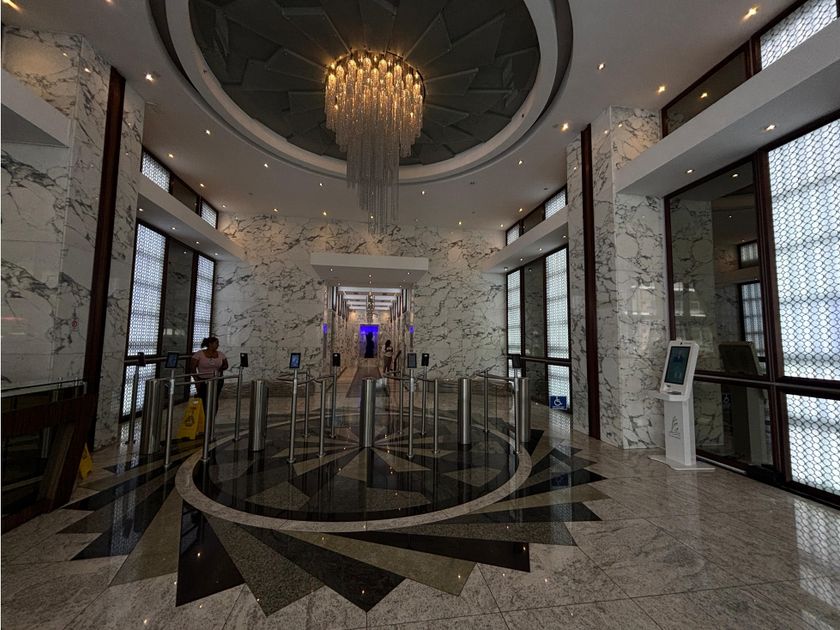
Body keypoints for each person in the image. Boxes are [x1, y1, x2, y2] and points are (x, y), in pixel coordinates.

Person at [190, 336, 228, 417]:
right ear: (210, 344)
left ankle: (212, 417)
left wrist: (220, 369)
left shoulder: (220, 354)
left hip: (217, 380)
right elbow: (192, 368)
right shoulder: (199, 354)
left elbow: (226, 365)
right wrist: (197, 381)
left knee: (214, 399)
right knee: (203, 399)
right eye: (216, 343)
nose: (218, 345)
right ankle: (203, 417)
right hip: (203, 380)